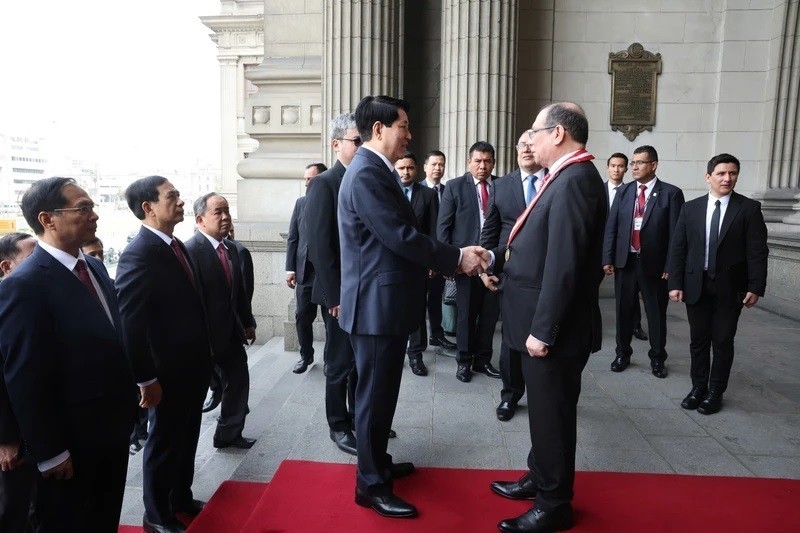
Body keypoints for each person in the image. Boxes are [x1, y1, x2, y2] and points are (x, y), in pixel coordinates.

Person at [338, 94, 487, 519]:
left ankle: (378, 462)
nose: (409, 134)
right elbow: (400, 237)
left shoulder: (375, 171)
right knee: (372, 397)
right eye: (403, 125)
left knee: (383, 393)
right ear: (380, 128)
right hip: (374, 306)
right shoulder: (368, 173)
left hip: (384, 303)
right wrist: (457, 257)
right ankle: (369, 486)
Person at [487, 103, 607, 532]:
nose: (529, 140)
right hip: (533, 321)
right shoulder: (565, 176)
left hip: (550, 331)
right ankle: (539, 478)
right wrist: (496, 258)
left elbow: (565, 264)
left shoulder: (575, 180)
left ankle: (555, 504)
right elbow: (535, 244)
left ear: (557, 134)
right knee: (542, 413)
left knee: (552, 418)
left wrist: (543, 330)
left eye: (535, 132)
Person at [0, 177, 135, 531]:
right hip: (70, 442)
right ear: (48, 219)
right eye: (84, 208)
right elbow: (24, 377)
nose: (95, 216)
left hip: (111, 429)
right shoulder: (25, 285)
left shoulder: (91, 266)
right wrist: (50, 451)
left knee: (105, 517)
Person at [116, 176, 212, 533]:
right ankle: (156, 515)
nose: (181, 201)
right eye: (172, 196)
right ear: (148, 207)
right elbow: (131, 324)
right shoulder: (139, 253)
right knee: (163, 442)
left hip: (192, 366)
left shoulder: (175, 245)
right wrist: (146, 379)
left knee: (187, 436)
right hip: (165, 373)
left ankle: (180, 497)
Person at [669, 153, 768, 415]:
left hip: (730, 288)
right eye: (722, 173)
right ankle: (697, 387)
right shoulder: (690, 208)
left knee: (722, 341)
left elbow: (757, 251)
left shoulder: (748, 209)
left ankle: (715, 392)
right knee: (698, 341)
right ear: (708, 177)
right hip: (696, 285)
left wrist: (755, 286)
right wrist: (675, 282)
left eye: (733, 173)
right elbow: (679, 248)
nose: (727, 178)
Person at [303, 114, 360, 456]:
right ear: (336, 144)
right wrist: (335, 296)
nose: (361, 145)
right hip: (338, 294)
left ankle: (357, 416)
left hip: (363, 290)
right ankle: (338, 425)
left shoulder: (365, 177)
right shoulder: (324, 183)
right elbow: (321, 247)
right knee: (339, 362)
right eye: (356, 140)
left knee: (360, 361)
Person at [479, 132, 546, 421]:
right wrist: (485, 269)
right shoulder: (502, 185)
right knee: (510, 339)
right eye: (522, 145)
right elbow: (490, 231)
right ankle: (510, 395)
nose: (527, 149)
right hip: (511, 275)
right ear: (516, 150)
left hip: (546, 275)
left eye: (533, 144)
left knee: (545, 337)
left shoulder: (554, 181)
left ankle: (544, 395)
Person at [602, 145, 685, 379]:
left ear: (654, 165)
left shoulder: (671, 194)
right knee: (623, 311)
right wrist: (608, 258)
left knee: (656, 314)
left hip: (655, 267)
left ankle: (658, 358)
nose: (634, 167)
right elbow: (612, 227)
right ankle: (622, 354)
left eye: (640, 162)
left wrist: (671, 266)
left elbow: (677, 236)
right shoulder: (624, 192)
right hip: (625, 262)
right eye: (633, 162)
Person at [186, 193, 258, 448]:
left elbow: (239, 293)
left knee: (238, 381)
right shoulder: (190, 251)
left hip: (230, 334)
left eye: (227, 210)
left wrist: (248, 323)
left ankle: (229, 434)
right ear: (200, 219)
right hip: (203, 339)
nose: (225, 217)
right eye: (218, 212)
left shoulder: (232, 250)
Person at [438, 141, 502, 383]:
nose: (482, 166)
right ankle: (464, 361)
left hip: (493, 262)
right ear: (469, 162)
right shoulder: (454, 187)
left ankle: (483, 359)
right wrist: (448, 264)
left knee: (489, 316)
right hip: (465, 265)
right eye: (477, 160)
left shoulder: (500, 186)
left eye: (487, 161)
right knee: (465, 315)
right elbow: (444, 229)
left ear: (493, 163)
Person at [0, 231, 37, 532]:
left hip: (39, 432)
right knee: (12, 508)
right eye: (32, 259)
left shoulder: (35, 301)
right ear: (6, 267)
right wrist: (5, 440)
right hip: (12, 437)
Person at [396, 151, 440, 376]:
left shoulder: (428, 195)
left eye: (409, 168)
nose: (405, 172)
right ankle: (395, 352)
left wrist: (433, 261)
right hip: (392, 262)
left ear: (416, 169)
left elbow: (433, 231)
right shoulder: (387, 191)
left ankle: (416, 354)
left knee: (417, 307)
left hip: (419, 262)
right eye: (401, 167)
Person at [286, 162, 327, 374]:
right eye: (305, 179)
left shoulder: (333, 201)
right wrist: (290, 268)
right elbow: (293, 237)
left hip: (327, 274)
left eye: (310, 179)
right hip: (304, 272)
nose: (306, 183)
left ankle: (330, 359)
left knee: (332, 320)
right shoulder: (300, 203)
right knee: (302, 316)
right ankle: (306, 355)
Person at [606, 153, 647, 341]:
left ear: (626, 169)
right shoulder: (598, 190)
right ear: (608, 168)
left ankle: (635, 325)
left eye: (620, 166)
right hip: (604, 247)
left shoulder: (631, 192)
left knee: (632, 291)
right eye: (613, 165)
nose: (616, 169)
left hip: (627, 249)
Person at [420, 150, 457, 351]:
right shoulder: (416, 190)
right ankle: (416, 341)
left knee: (436, 297)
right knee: (417, 300)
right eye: (433, 164)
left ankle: (436, 334)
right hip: (421, 256)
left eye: (441, 164)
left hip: (441, 254)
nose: (437, 168)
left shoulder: (448, 190)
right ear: (425, 167)